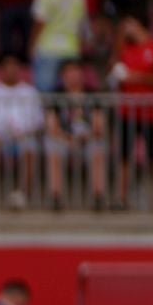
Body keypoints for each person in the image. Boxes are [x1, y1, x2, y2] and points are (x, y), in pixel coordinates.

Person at [108, 13, 153, 210]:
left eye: (130, 25)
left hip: (152, 113)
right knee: (124, 156)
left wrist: (137, 78)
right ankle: (121, 198)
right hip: (127, 113)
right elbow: (113, 70)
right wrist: (119, 37)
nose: (128, 30)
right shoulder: (125, 50)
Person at [0, 53, 43, 211]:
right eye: (7, 68)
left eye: (14, 68)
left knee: (30, 147)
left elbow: (38, 120)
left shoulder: (29, 92)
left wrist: (25, 133)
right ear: (1, 71)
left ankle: (21, 194)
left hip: (23, 136)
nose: (11, 71)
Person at [43, 58, 109, 209]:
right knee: (53, 147)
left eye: (76, 70)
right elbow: (52, 126)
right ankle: (55, 197)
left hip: (88, 138)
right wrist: (68, 138)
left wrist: (86, 136)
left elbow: (99, 126)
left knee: (97, 148)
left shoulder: (92, 94)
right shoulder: (55, 96)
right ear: (62, 75)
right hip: (64, 138)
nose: (73, 75)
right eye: (69, 71)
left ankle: (99, 197)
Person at [29, 0, 88, 92]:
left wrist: (31, 45)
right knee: (70, 93)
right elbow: (82, 28)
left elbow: (40, 21)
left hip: (48, 48)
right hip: (71, 49)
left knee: (46, 95)